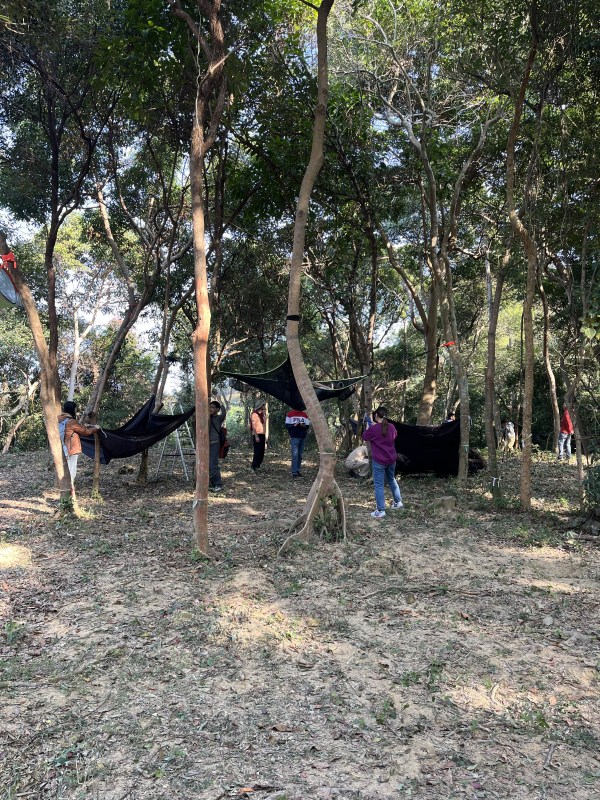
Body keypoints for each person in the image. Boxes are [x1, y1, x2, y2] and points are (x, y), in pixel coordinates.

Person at [362, 406, 403, 518]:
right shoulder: (391, 426)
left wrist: (369, 427)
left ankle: (381, 510)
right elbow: (394, 435)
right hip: (391, 459)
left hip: (379, 461)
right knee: (391, 480)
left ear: (376, 416)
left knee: (379, 485)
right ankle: (398, 502)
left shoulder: (374, 429)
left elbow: (364, 436)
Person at [57, 401, 100, 490]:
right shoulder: (71, 421)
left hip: (62, 448)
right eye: (75, 409)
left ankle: (66, 489)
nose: (76, 411)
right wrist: (96, 428)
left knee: (65, 469)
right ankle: (69, 491)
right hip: (71, 449)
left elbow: (77, 428)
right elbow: (86, 432)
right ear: (72, 409)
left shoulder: (60, 419)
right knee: (71, 470)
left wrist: (85, 425)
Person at [285, 408, 311, 478]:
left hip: (302, 436)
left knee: (300, 455)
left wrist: (302, 425)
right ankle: (294, 472)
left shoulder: (304, 415)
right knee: (295, 455)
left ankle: (297, 470)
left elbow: (307, 426)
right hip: (294, 437)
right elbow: (287, 426)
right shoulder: (290, 414)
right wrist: (294, 425)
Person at [209, 399, 226, 491]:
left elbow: (224, 412)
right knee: (207, 464)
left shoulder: (219, 418)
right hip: (205, 445)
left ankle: (218, 484)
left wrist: (220, 401)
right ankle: (211, 482)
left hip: (214, 444)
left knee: (213, 464)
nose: (210, 409)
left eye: (212, 407)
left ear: (217, 409)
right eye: (209, 407)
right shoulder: (206, 417)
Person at [250, 399, 267, 472]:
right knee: (257, 451)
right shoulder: (254, 414)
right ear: (260, 405)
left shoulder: (262, 414)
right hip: (257, 434)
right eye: (263, 405)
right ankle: (254, 466)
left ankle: (258, 465)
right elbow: (253, 426)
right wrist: (256, 436)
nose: (264, 406)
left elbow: (264, 423)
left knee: (261, 451)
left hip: (262, 433)